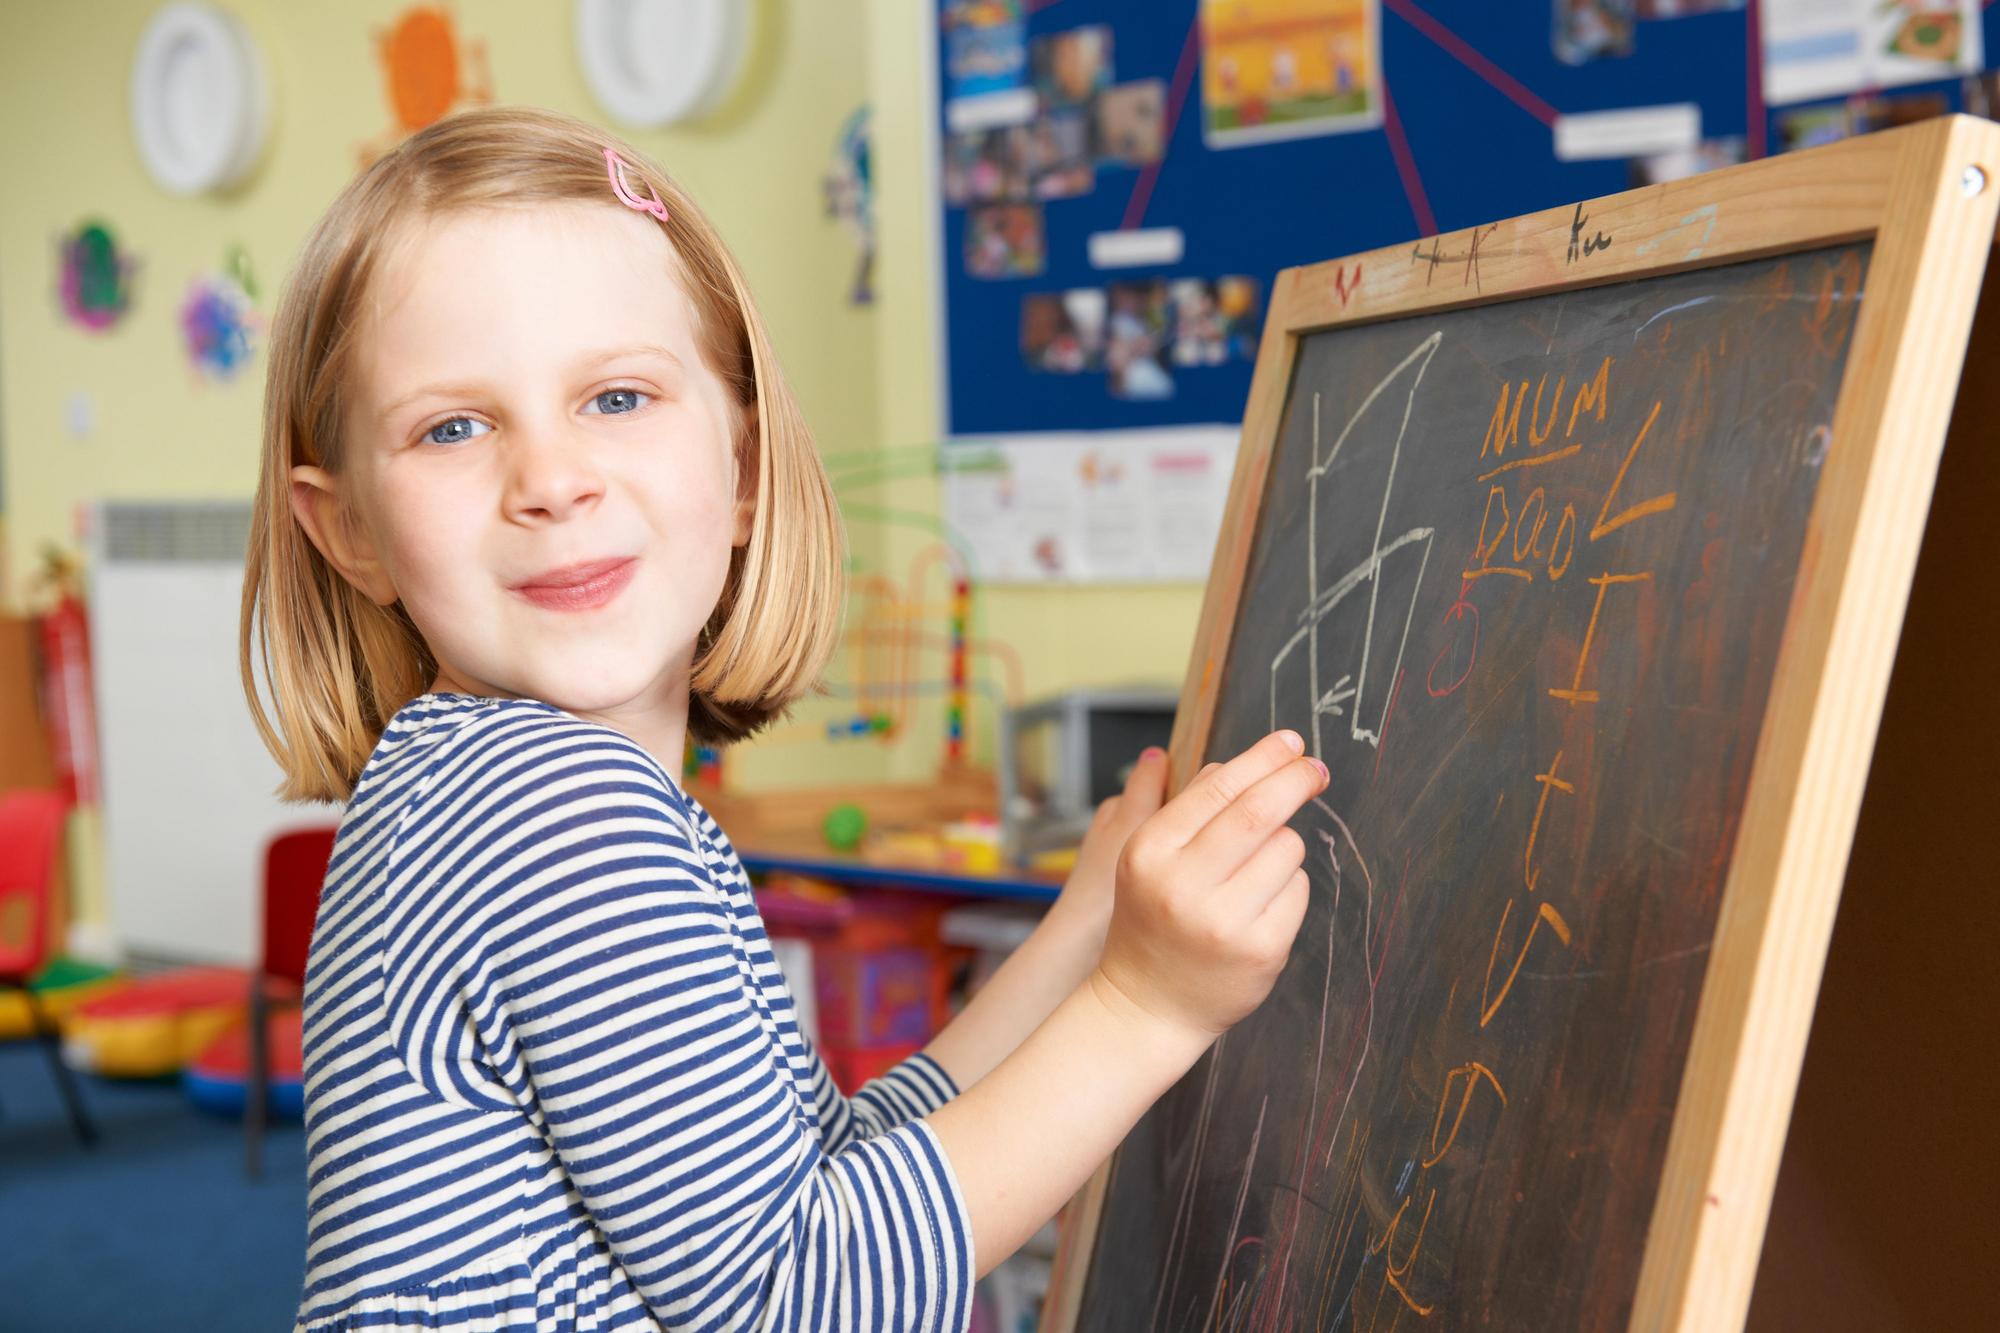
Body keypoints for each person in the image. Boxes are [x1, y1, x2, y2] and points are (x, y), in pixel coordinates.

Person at [240, 105, 1325, 1332]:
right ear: (347, 533)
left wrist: (1084, 937)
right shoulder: (553, 812)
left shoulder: (481, 783)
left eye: (614, 397)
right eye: (453, 426)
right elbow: (798, 1293)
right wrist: (1146, 1007)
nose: (549, 480)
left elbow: (832, 1172)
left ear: (744, 471)